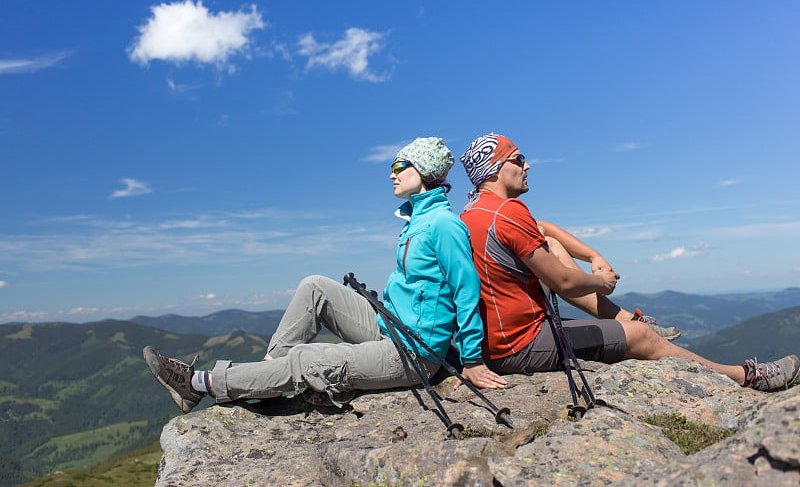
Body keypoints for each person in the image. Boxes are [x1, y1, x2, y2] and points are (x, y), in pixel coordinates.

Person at [144, 137, 507, 414]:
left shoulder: (443, 225)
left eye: (400, 165)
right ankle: (268, 377)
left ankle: (199, 383)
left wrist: (472, 361)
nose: (391, 173)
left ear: (424, 172)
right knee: (315, 286)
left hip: (415, 352)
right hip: (391, 327)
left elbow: (466, 293)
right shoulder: (417, 220)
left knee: (309, 359)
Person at [458, 133, 800, 392]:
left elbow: (543, 230)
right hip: (519, 344)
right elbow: (562, 283)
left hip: (498, 339)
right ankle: (746, 376)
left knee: (550, 246)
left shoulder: (475, 212)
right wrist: (600, 281)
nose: (527, 165)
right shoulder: (509, 212)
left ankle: (623, 317)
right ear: (497, 168)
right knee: (641, 338)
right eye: (518, 159)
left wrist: (593, 256)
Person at [535, 220, 681, 340]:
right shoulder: (513, 214)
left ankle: (626, 318)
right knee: (548, 246)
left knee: (549, 242)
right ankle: (627, 320)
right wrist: (600, 281)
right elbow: (565, 283)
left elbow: (542, 226)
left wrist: (594, 257)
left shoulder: (515, 214)